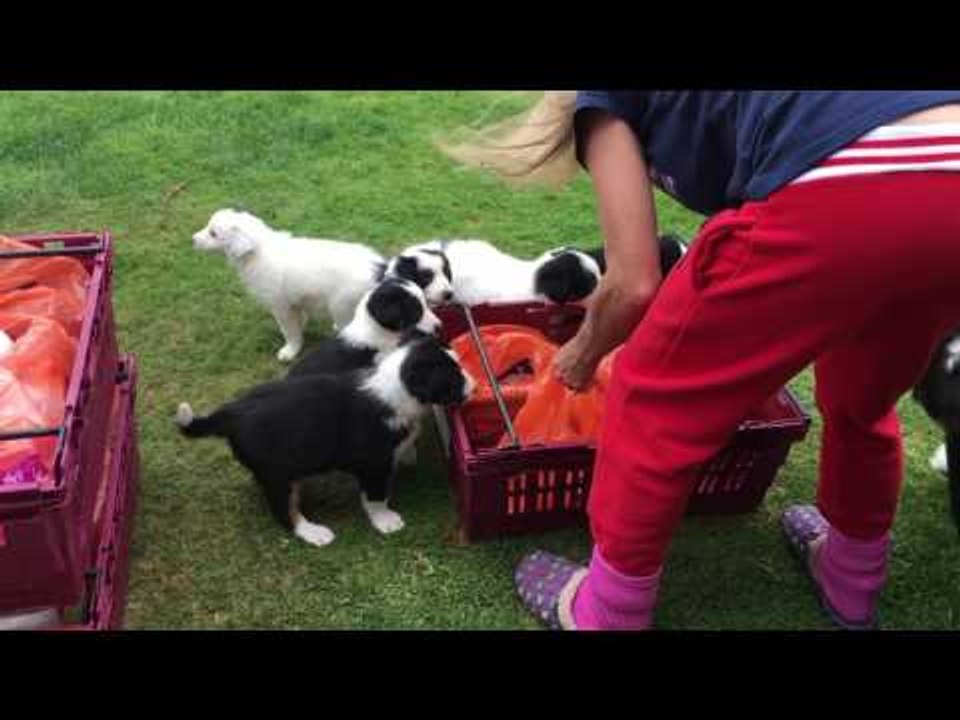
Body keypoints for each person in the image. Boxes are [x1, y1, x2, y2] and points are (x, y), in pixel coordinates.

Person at [440, 91, 960, 630]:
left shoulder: (600, 98)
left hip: (846, 179)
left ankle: (604, 613)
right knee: (863, 397)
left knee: (648, 398)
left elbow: (634, 283)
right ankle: (851, 578)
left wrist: (582, 353)